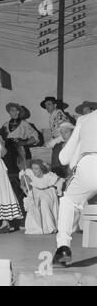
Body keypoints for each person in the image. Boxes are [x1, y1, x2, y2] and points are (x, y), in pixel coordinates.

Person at [52, 110, 97, 266]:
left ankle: (63, 249)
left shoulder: (85, 119)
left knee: (69, 201)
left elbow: (64, 158)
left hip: (89, 163)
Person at [19, 160, 64, 235]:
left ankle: (50, 228)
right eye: (33, 168)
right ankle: (35, 228)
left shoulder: (49, 176)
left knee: (44, 202)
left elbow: (60, 181)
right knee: (33, 204)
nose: (34, 171)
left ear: (42, 169)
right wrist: (24, 188)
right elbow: (23, 179)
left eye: (36, 169)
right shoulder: (29, 173)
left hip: (48, 192)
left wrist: (59, 190)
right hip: (36, 191)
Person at [0, 103, 39, 174]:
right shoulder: (6, 124)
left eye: (13, 110)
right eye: (10, 111)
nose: (11, 112)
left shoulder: (24, 124)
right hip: (7, 146)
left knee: (18, 165)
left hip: (19, 147)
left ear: (18, 112)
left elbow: (35, 136)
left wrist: (24, 142)